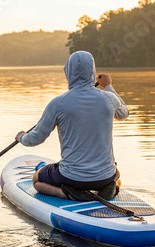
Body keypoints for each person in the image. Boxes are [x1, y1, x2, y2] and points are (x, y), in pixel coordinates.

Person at [15, 51, 129, 201]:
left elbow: (35, 139)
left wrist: (21, 137)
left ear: (69, 72)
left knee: (37, 179)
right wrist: (108, 86)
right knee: (116, 173)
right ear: (92, 71)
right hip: (105, 177)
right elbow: (124, 113)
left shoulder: (58, 103)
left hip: (72, 178)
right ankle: (110, 187)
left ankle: (66, 193)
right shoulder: (109, 98)